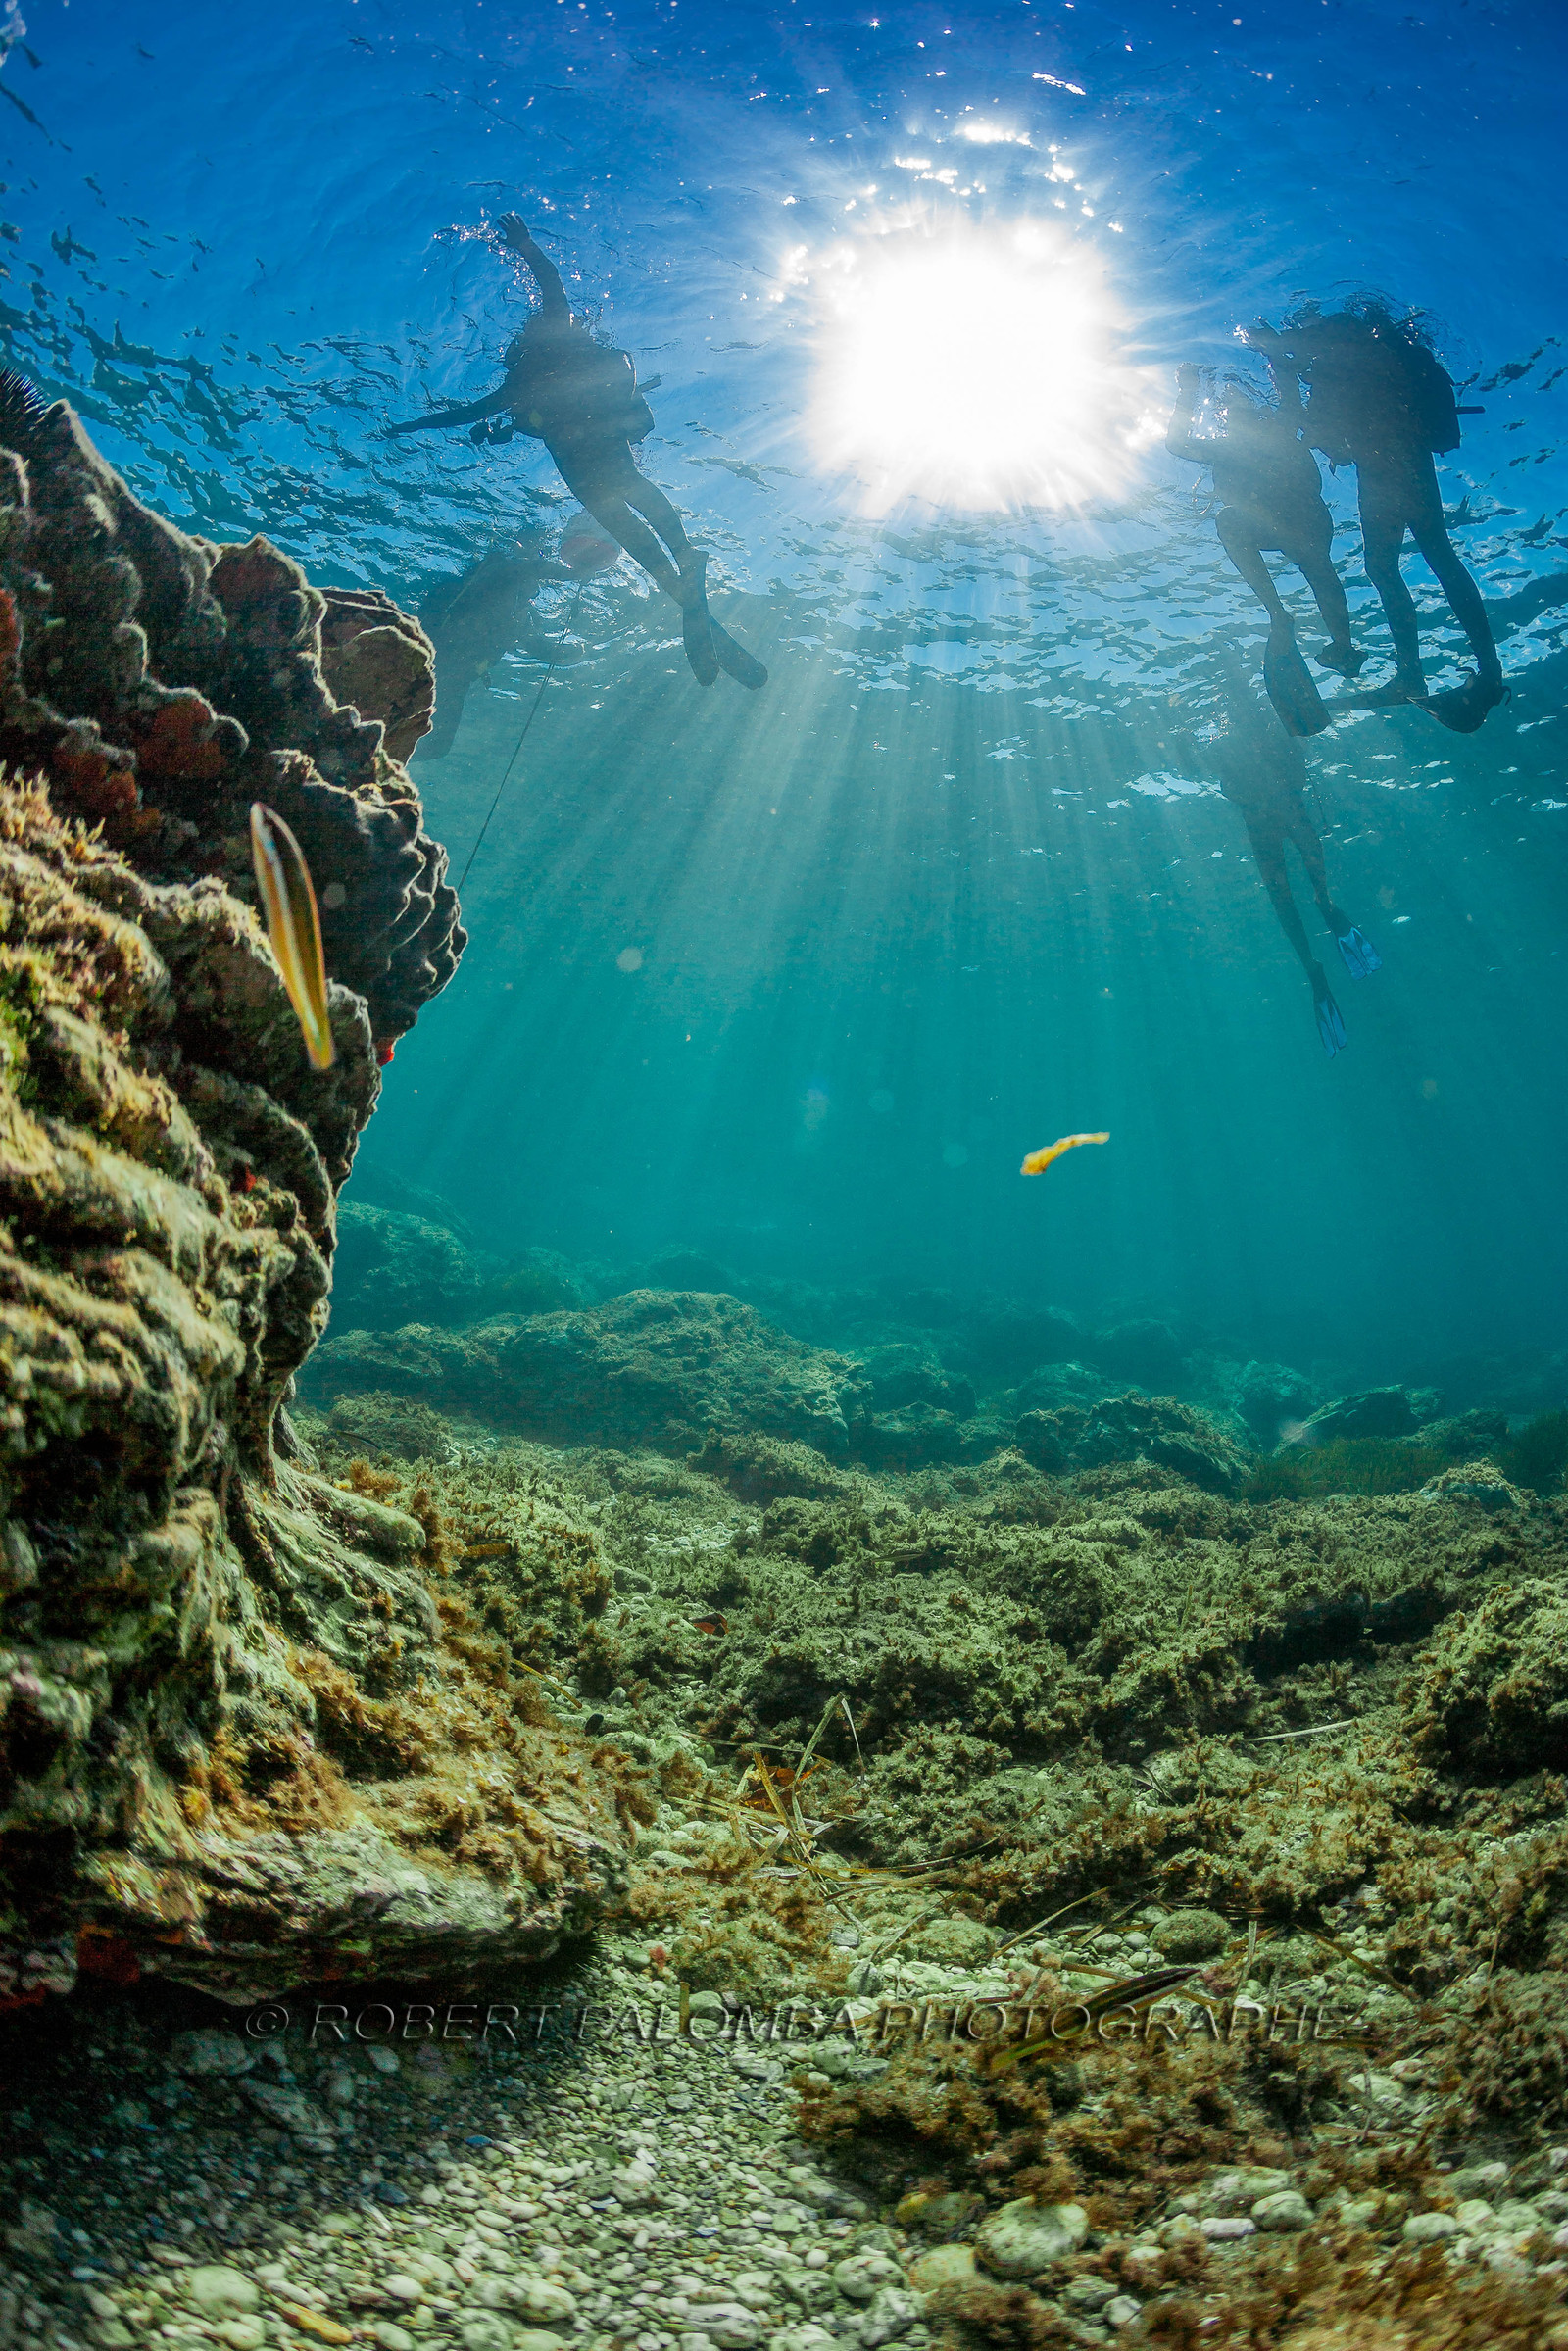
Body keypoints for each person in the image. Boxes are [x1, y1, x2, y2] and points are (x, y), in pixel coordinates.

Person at [387, 215, 765, 692]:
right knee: (638, 500)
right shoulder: (527, 373)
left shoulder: (526, 372)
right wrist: (524, 246)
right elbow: (547, 288)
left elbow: (461, 410)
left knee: (632, 521)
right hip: (603, 457)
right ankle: (686, 566)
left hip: (584, 470)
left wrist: (408, 426)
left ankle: (683, 575)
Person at [1245, 304, 1502, 732]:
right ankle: (1477, 671)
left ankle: (1419, 675)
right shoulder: (1354, 360)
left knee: (1400, 564)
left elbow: (1338, 443)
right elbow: (1341, 441)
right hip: (1405, 463)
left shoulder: (1340, 352)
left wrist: (1275, 353)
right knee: (1428, 560)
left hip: (1385, 469)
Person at [1166, 362, 1362, 737]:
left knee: (1316, 566)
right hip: (1280, 522)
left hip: (1303, 518)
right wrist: (1188, 392)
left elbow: (1289, 398)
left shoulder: (1271, 431)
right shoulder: (1240, 442)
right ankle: (1289, 618)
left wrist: (1276, 362)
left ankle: (1338, 642)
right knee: (1305, 561)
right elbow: (1177, 444)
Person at [1213, 699, 1382, 1059]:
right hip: (1288, 814)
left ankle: (1313, 963)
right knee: (1294, 888)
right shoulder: (1276, 728)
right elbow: (1298, 770)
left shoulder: (1232, 740)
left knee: (1282, 899)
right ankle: (1327, 908)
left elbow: (1229, 787)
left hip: (1263, 824)